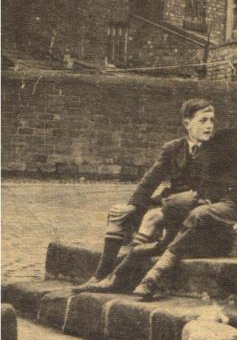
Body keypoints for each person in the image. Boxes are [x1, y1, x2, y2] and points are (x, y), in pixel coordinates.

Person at [132, 90, 237, 301]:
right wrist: (209, 193)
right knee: (171, 206)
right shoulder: (221, 139)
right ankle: (142, 256)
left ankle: (156, 273)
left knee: (200, 215)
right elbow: (207, 174)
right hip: (218, 198)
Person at [75, 98, 215, 292]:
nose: (209, 126)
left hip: (193, 206)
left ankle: (118, 277)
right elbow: (150, 180)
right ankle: (99, 275)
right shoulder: (173, 148)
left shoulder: (217, 150)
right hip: (168, 202)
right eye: (203, 120)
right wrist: (132, 205)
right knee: (118, 214)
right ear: (187, 123)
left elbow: (211, 188)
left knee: (152, 217)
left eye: (211, 120)